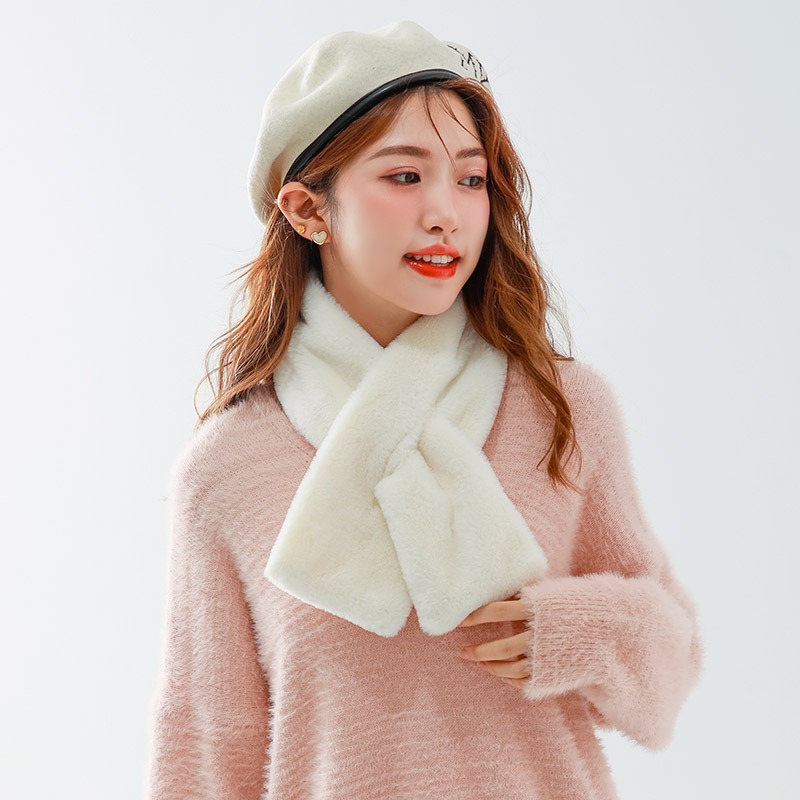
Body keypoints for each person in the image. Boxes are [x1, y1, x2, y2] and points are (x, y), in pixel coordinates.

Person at [145, 19, 704, 800]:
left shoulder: (565, 408)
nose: (447, 212)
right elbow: (205, 751)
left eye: (471, 180)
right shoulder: (228, 468)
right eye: (405, 176)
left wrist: (579, 629)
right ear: (307, 210)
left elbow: (673, 669)